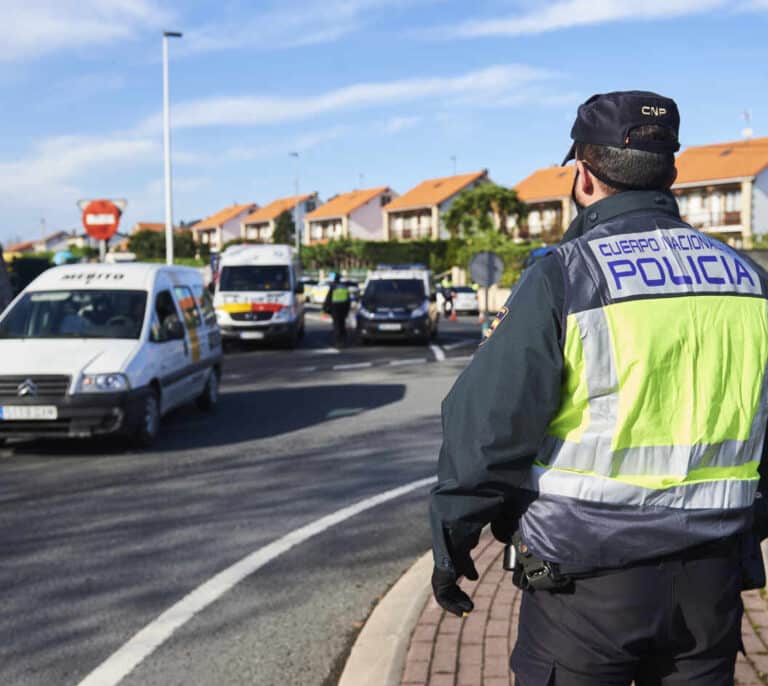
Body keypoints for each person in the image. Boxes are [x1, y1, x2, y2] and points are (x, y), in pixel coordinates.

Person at [430, 90, 768, 685]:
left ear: (583, 177)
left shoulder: (566, 275)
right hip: (711, 583)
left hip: (584, 589)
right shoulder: (750, 281)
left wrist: (454, 537)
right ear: (672, 172)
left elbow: (487, 425)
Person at [323, 272, 351, 346]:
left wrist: (325, 308)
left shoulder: (333, 287)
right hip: (344, 309)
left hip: (335, 309)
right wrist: (347, 310)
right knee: (342, 325)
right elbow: (348, 300)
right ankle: (344, 340)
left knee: (337, 325)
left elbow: (328, 299)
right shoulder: (344, 287)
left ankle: (338, 341)